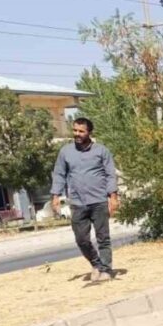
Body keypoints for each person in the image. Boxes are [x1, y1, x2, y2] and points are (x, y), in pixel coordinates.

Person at [50, 117, 119, 282]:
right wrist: (55, 195)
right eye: (75, 130)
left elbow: (110, 174)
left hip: (99, 201)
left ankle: (106, 270)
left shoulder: (101, 151)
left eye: (81, 131)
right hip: (77, 202)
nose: (77, 134)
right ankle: (96, 264)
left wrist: (113, 196)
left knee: (103, 238)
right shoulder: (66, 152)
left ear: (89, 132)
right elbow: (59, 174)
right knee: (81, 239)